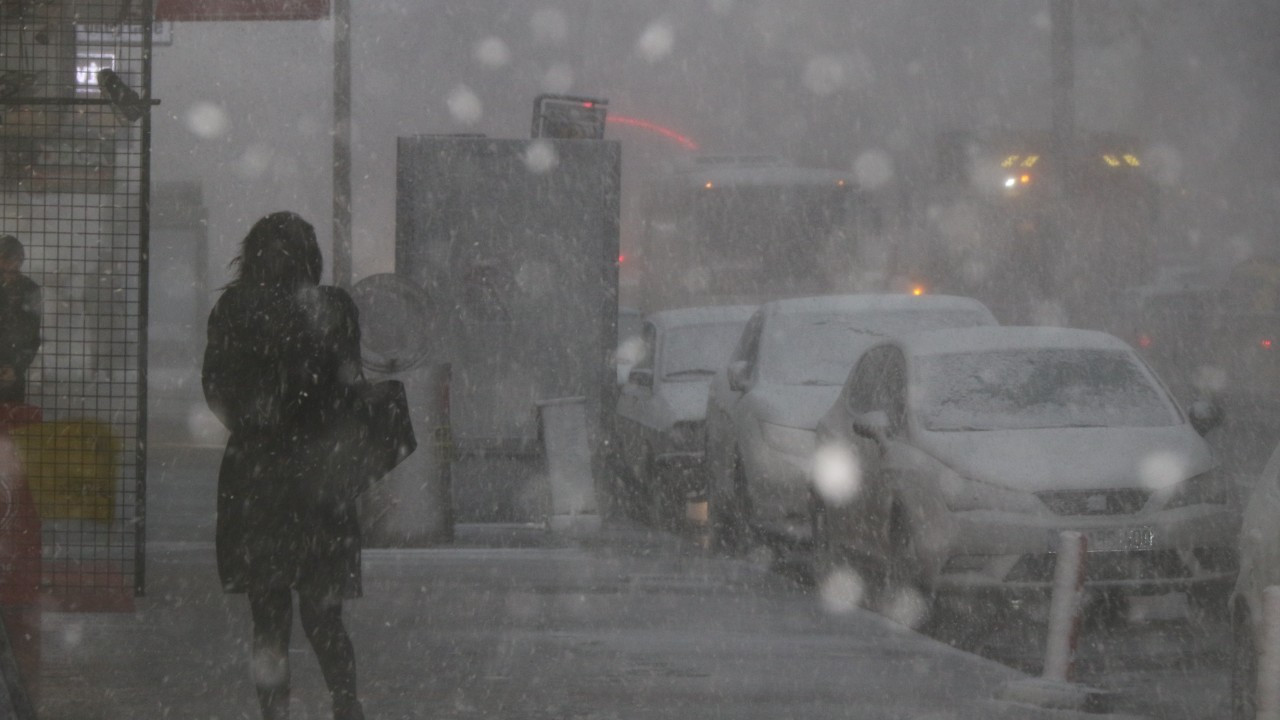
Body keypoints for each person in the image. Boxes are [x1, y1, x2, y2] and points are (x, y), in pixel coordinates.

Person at [201, 212, 367, 720]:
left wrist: (257, 421)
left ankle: (274, 713)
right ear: (309, 256)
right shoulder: (333, 307)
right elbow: (350, 389)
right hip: (320, 478)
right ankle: (345, 703)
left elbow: (215, 389)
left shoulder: (233, 308)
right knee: (323, 612)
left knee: (268, 617)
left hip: (256, 477)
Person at [0, 235, 41, 404]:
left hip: (12, 372)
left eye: (18, 259)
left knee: (12, 421)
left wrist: (15, 368)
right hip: (12, 370)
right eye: (9, 259)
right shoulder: (28, 288)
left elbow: (32, 335)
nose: (14, 264)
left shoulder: (29, 289)